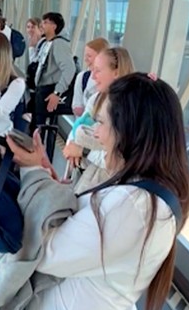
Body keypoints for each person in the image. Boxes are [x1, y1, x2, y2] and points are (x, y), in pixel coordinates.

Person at [1, 73, 189, 310]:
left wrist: (32, 175)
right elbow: (86, 228)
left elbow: (47, 252)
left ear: (129, 131)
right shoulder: (142, 190)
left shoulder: (133, 208)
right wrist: (46, 171)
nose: (97, 131)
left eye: (102, 122)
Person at [63, 47, 134, 193]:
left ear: (116, 72)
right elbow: (79, 126)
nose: (93, 76)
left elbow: (119, 158)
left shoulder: (129, 108)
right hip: (89, 175)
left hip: (110, 186)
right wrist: (72, 147)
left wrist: (83, 151)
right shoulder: (97, 99)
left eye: (98, 70)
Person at [33, 12, 77, 157]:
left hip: (50, 91)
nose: (42, 25)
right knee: (38, 128)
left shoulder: (59, 44)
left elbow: (69, 68)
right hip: (42, 90)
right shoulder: (46, 43)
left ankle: (44, 160)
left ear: (54, 26)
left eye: (46, 22)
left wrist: (57, 92)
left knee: (45, 129)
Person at [70, 38, 109, 117]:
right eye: (85, 56)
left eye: (89, 56)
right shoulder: (83, 77)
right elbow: (76, 107)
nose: (85, 60)